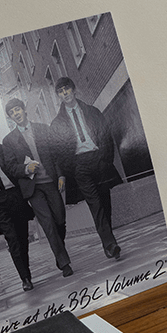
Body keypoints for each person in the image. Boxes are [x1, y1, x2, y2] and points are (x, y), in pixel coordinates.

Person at [50, 77, 123, 260]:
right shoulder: (57, 123)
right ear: (59, 96)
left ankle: (108, 241)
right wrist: (72, 168)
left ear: (74, 90)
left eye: (67, 89)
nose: (65, 93)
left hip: (99, 160)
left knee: (105, 203)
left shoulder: (92, 111)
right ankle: (111, 244)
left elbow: (106, 134)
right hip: (79, 166)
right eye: (61, 91)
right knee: (95, 205)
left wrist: (106, 158)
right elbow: (57, 151)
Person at [2, 98, 73, 277]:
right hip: (33, 188)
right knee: (48, 223)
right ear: (10, 117)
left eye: (17, 110)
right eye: (12, 113)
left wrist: (61, 174)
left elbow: (55, 154)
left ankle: (59, 251)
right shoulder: (9, 141)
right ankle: (64, 263)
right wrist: (25, 169)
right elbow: (10, 167)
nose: (16, 114)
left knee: (59, 219)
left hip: (50, 181)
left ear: (24, 110)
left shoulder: (42, 128)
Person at [0, 138, 35, 291]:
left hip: (13, 195)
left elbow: (12, 168)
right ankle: (24, 278)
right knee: (12, 237)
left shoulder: (0, 148)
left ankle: (27, 272)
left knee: (22, 236)